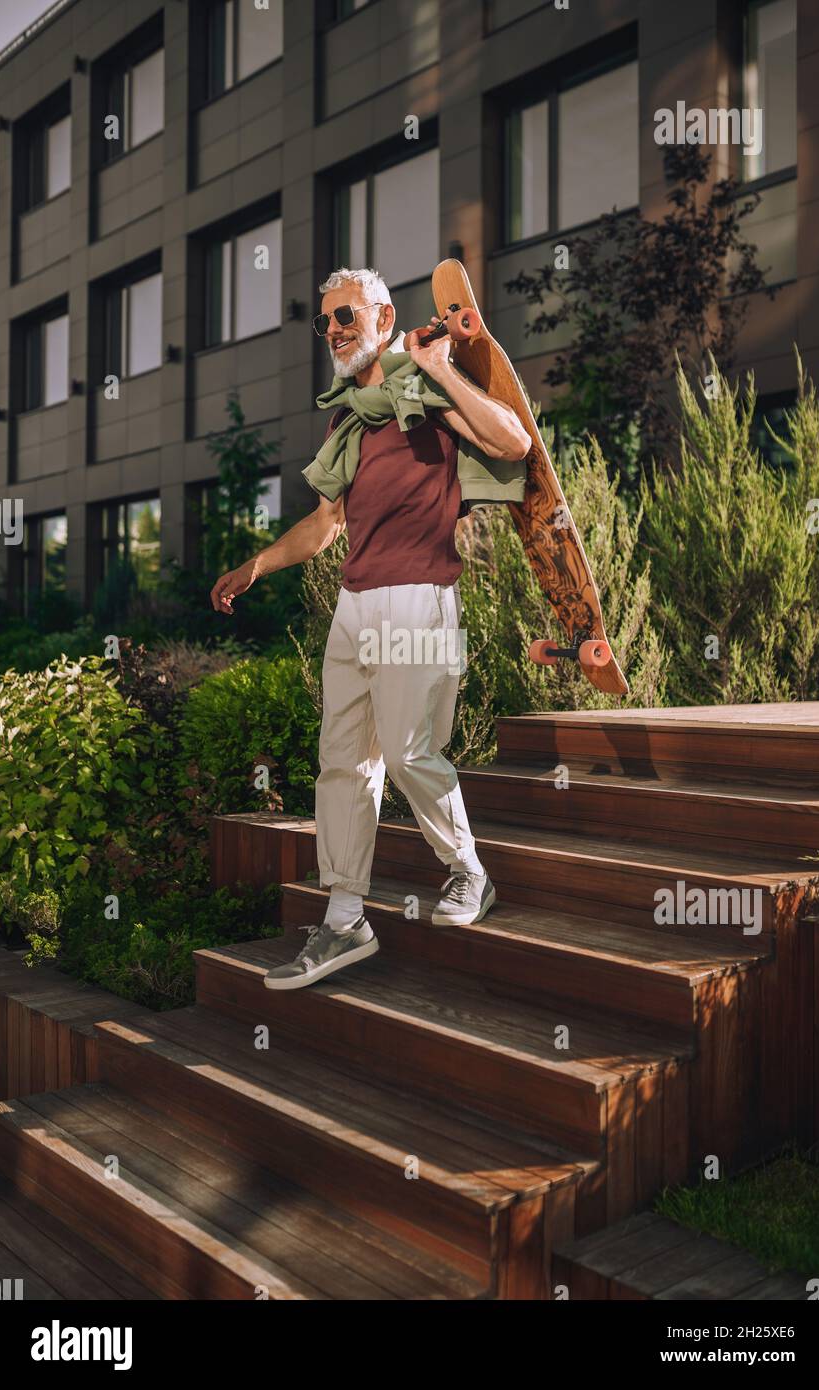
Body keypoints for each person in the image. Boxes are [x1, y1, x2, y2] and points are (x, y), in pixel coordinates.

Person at [210, 267, 531, 990]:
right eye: (327, 322)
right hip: (356, 607)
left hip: (419, 597)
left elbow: (513, 442)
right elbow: (325, 526)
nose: (336, 331)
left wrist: (439, 367)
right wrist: (255, 566)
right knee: (344, 763)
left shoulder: (422, 387)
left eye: (347, 316)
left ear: (383, 317)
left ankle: (469, 873)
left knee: (413, 751)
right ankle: (346, 917)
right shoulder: (350, 415)